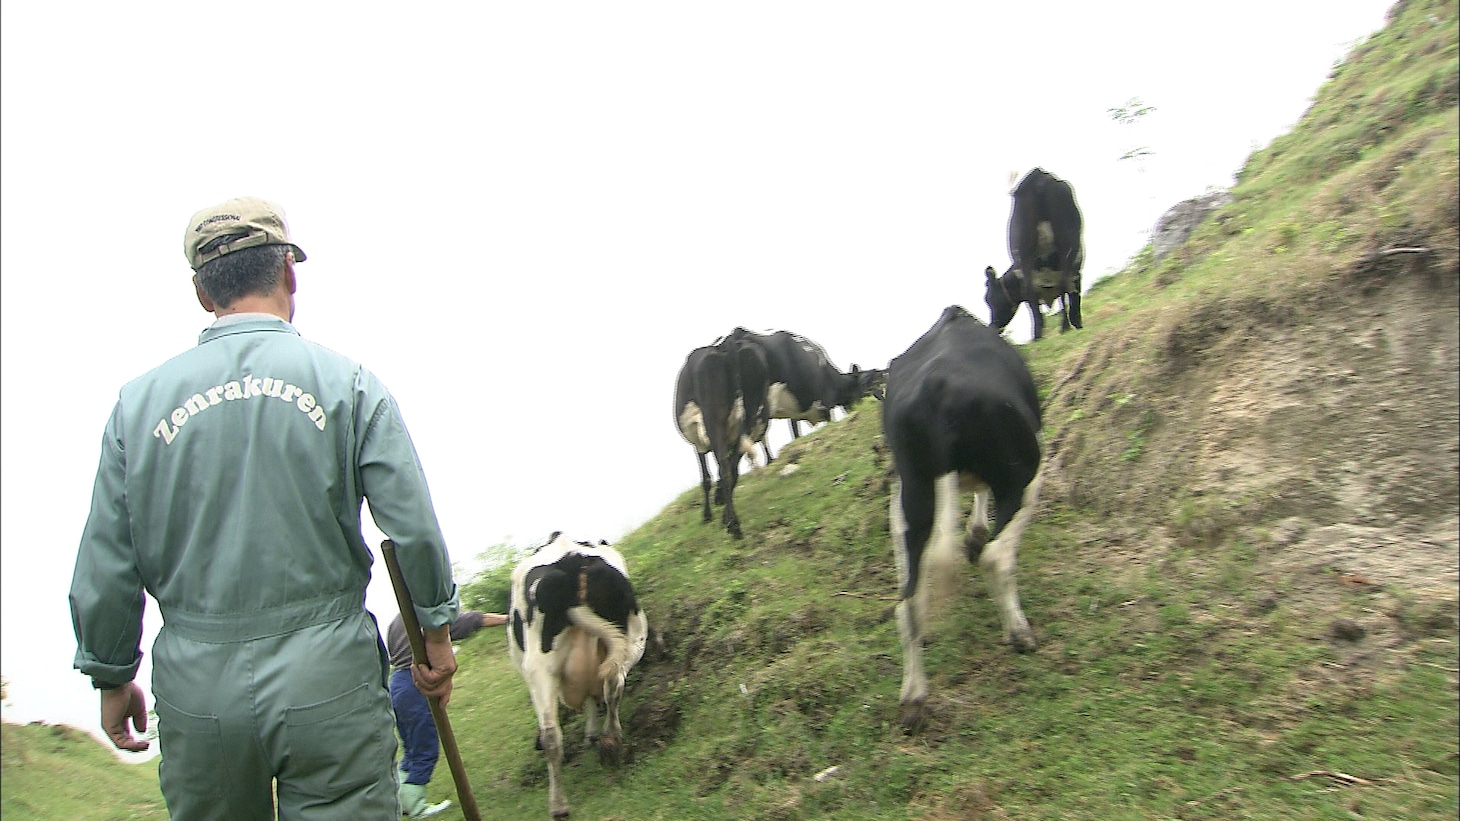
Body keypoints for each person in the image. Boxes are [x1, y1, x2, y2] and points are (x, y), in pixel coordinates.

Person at [69, 196, 462, 820]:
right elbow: (412, 527)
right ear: (288, 272)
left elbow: (108, 559)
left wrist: (112, 674)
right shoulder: (349, 384)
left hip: (198, 689)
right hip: (329, 676)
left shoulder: (136, 407)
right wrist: (435, 632)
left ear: (202, 293)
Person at [386, 609, 507, 817]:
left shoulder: (397, 620)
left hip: (397, 683)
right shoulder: (424, 613)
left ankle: (401, 799)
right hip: (416, 681)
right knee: (425, 746)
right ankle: (415, 805)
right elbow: (467, 621)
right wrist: (508, 618)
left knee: (411, 746)